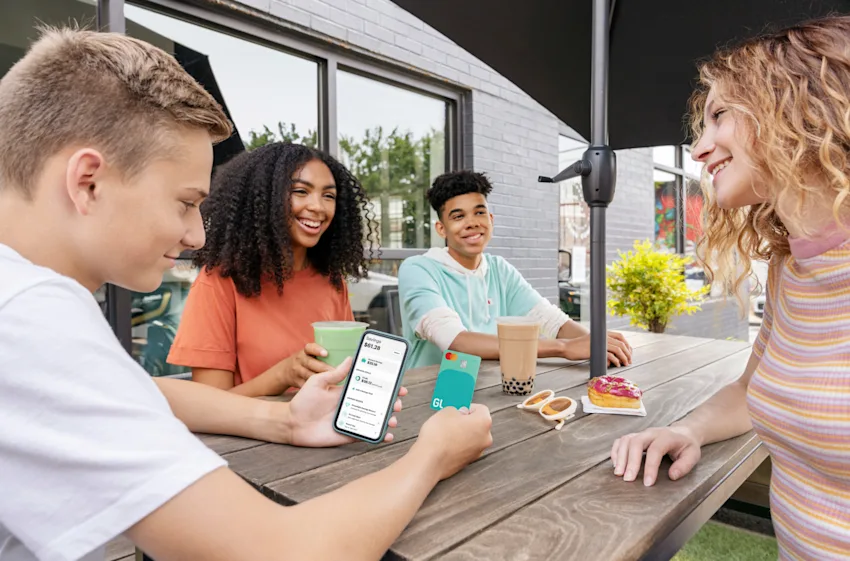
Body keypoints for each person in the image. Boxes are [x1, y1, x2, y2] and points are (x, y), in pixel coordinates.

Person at [0, 27, 492, 561]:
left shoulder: (26, 305)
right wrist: (433, 454)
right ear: (88, 181)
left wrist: (286, 419)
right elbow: (282, 553)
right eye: (186, 202)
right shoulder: (28, 317)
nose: (197, 235)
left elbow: (133, 392)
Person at [610, 16, 850, 559]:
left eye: (719, 115)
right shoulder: (790, 269)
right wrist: (689, 430)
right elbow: (748, 390)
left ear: (802, 106)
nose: (699, 149)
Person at [167, 142, 373, 397]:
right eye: (301, 191)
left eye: (328, 196)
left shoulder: (331, 280)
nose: (318, 207)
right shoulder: (219, 282)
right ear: (264, 199)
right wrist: (282, 375)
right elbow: (206, 405)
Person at [397, 170, 633, 369]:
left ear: (491, 219)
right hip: (430, 394)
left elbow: (551, 321)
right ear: (441, 229)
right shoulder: (418, 269)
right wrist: (565, 348)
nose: (472, 223)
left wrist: (596, 343)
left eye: (479, 212)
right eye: (458, 216)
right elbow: (454, 341)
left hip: (491, 388)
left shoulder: (499, 270)